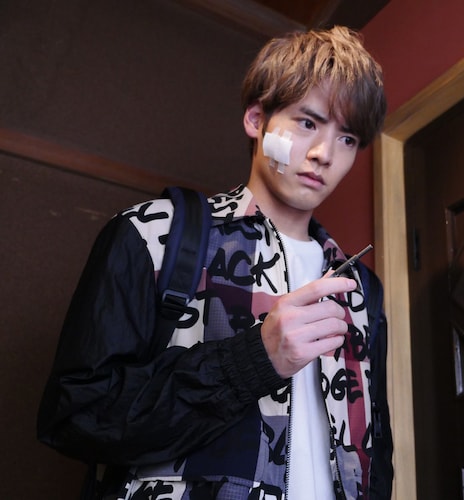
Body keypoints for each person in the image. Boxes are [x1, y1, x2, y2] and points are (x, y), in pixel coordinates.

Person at [37, 26, 392, 500]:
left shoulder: (361, 287)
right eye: (308, 123)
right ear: (256, 119)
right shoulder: (152, 236)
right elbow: (74, 417)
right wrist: (252, 360)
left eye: (347, 138)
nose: (324, 154)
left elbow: (377, 452)